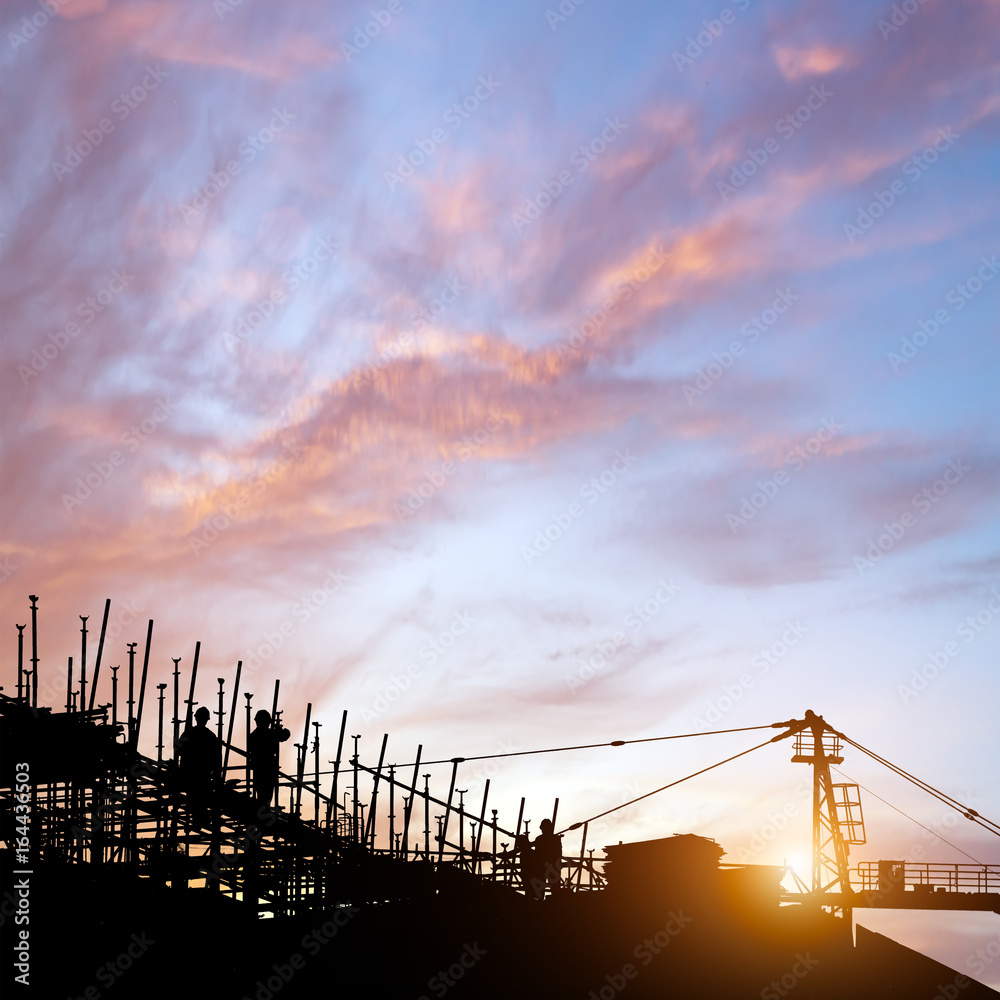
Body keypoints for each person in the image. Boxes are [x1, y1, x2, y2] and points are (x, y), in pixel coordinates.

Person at [176, 706, 220, 827]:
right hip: (201, 775)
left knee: (195, 799)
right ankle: (200, 819)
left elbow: (177, 749)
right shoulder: (210, 736)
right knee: (200, 799)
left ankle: (198, 819)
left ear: (196, 718)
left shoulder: (189, 732)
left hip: (191, 774)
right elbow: (216, 759)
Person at [247, 709, 290, 809]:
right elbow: (285, 735)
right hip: (268, 770)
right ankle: (264, 811)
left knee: (262, 796)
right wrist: (278, 729)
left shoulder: (253, 735)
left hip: (259, 770)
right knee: (266, 797)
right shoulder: (269, 733)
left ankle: (263, 810)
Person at [533, 818, 563, 898]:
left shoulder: (539, 839)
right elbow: (559, 853)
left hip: (545, 867)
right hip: (550, 867)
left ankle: (541, 902)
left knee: (543, 888)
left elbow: (536, 854)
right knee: (553, 888)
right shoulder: (555, 839)